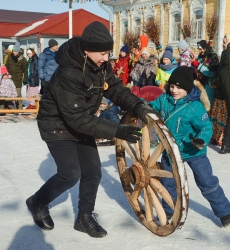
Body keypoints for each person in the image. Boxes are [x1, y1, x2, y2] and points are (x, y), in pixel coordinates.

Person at [26, 21, 157, 238]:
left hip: (82, 120)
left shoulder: (98, 64)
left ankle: (84, 217)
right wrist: (117, 130)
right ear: (87, 50)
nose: (107, 58)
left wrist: (136, 105)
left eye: (108, 53)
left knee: (93, 171)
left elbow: (114, 88)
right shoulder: (67, 73)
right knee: (70, 173)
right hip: (57, 125)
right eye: (103, 53)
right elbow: (77, 119)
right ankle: (37, 202)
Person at [149, 66, 230, 228]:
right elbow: (151, 106)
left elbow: (206, 127)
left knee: (206, 181)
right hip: (170, 151)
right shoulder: (164, 99)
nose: (174, 90)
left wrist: (201, 140)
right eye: (172, 86)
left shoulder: (195, 108)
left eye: (179, 88)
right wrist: (141, 106)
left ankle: (224, 213)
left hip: (193, 150)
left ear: (188, 88)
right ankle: (168, 210)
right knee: (168, 183)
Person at [197, 40, 220, 106]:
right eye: (199, 49)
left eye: (201, 49)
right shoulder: (201, 56)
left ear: (205, 47)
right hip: (201, 82)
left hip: (209, 84)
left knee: (208, 104)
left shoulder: (213, 56)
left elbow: (213, 73)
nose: (200, 51)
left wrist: (199, 66)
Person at [6, 42, 28, 110]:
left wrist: (25, 79)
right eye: (13, 51)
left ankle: (20, 107)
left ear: (18, 51)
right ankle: (10, 107)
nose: (14, 52)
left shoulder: (23, 59)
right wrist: (7, 74)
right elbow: (7, 66)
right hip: (10, 78)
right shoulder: (10, 57)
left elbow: (25, 70)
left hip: (18, 78)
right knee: (9, 94)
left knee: (18, 94)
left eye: (15, 51)